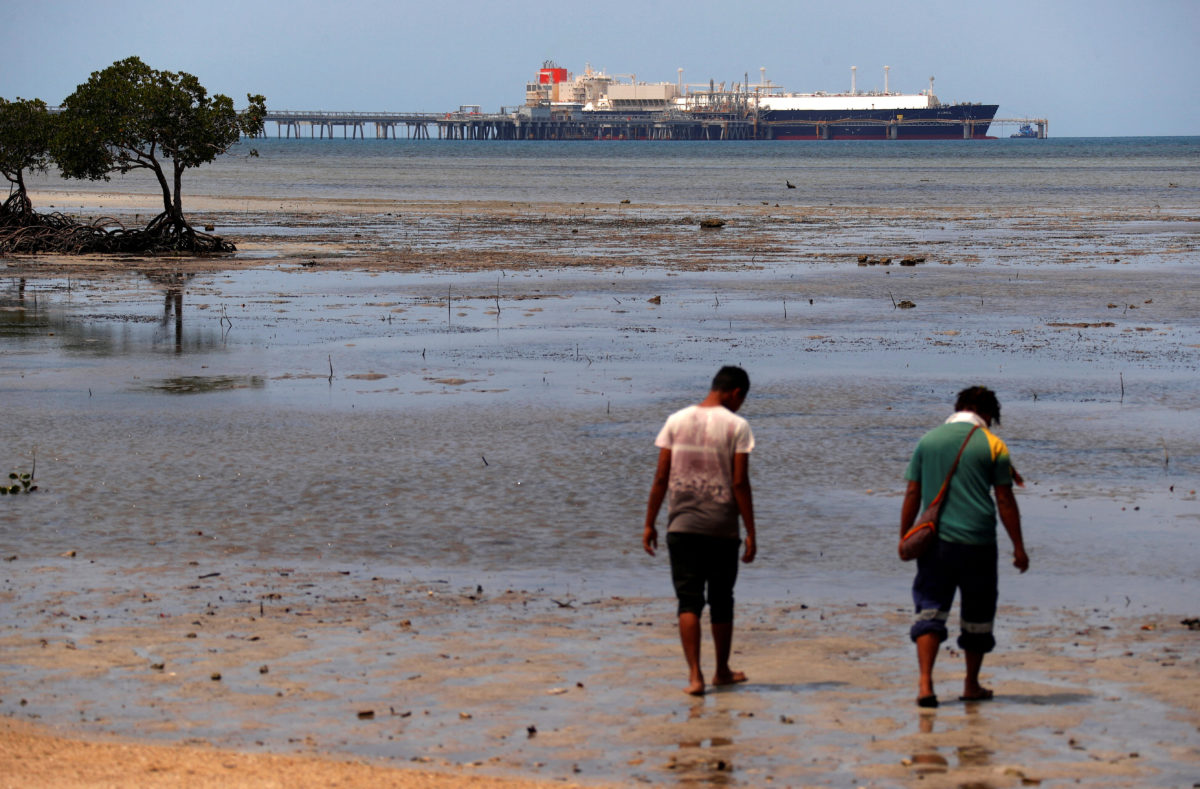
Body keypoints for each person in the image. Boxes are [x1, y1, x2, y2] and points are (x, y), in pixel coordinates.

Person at [900, 385, 1029, 708]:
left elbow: (913, 493)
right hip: (978, 543)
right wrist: (1018, 547)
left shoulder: (928, 440)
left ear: (958, 407)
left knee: (930, 609)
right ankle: (971, 684)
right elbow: (1004, 499)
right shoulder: (992, 444)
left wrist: (905, 536)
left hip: (935, 543)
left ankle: (925, 684)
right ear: (988, 414)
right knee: (978, 615)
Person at [643, 366, 756, 696]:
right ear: (736, 393)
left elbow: (661, 478)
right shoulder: (737, 426)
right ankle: (721, 671)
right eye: (741, 399)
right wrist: (751, 531)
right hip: (722, 527)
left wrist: (649, 523)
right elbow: (739, 483)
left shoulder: (676, 421)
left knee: (688, 601)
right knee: (722, 600)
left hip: (681, 526)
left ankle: (695, 677)